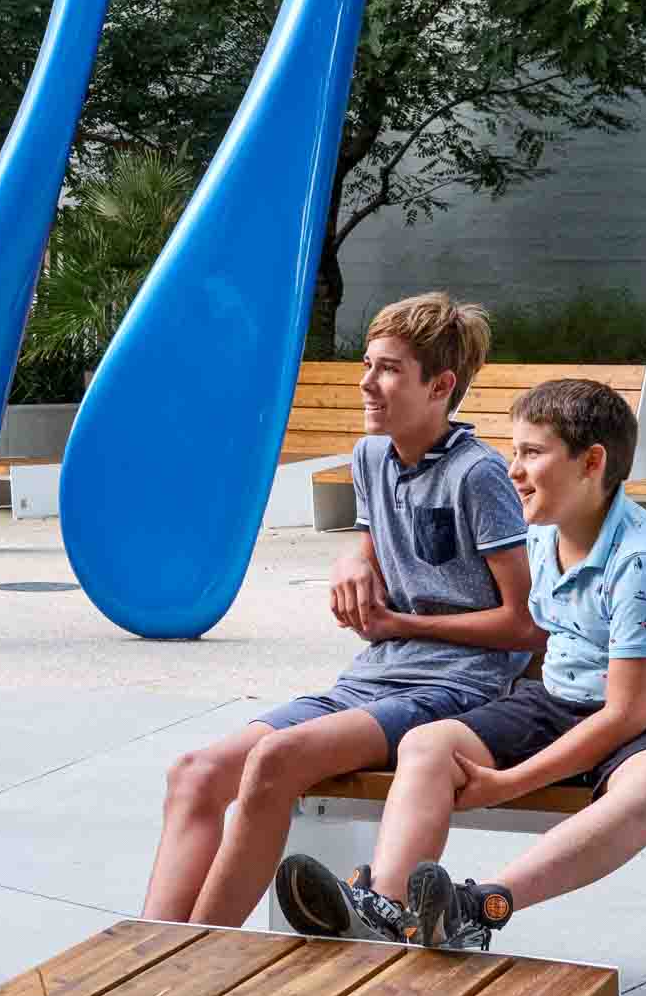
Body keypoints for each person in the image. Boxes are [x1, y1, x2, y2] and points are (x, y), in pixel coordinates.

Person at [277, 376, 646, 954]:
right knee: (428, 745)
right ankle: (387, 908)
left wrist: (508, 780)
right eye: (514, 450)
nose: (513, 469)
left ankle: (478, 906)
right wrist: (490, 728)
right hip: (561, 699)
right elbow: (543, 645)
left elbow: (624, 715)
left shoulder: (643, 562)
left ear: (592, 462)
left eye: (532, 453)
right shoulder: (544, 536)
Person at [141, 294, 537, 928]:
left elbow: (523, 626)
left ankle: (197, 961)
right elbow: (379, 537)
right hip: (373, 676)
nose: (366, 383)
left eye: (388, 369)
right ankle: (148, 953)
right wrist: (354, 557)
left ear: (440, 386)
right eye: (367, 363)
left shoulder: (478, 475)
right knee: (193, 774)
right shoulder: (371, 457)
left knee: (273, 763)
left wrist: (402, 624)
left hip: (455, 688)